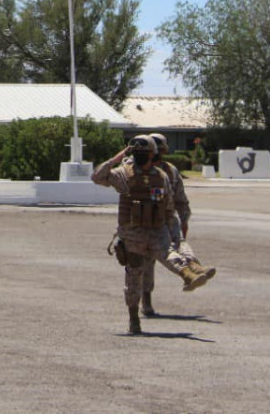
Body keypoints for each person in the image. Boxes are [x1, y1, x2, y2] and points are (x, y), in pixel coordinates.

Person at [92, 135, 209, 335]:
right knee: (169, 253)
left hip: (133, 234)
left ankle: (134, 319)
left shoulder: (123, 175)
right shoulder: (161, 176)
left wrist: (116, 158)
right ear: (153, 154)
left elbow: (98, 176)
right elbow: (169, 207)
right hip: (155, 230)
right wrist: (173, 230)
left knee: (134, 276)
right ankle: (186, 273)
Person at [144, 133, 216, 315]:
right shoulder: (135, 168)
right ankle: (146, 301)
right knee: (148, 262)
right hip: (144, 221)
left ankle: (194, 269)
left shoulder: (170, 170)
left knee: (180, 243)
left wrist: (184, 220)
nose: (158, 155)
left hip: (167, 218)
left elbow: (181, 199)